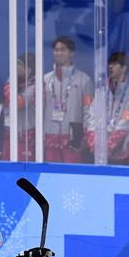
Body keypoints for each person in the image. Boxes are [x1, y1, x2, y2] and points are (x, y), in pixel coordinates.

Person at [42, 35, 94, 163]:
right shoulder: (45, 79)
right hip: (50, 136)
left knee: (71, 176)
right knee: (51, 175)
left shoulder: (84, 80)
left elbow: (89, 110)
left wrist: (86, 137)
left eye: (63, 50)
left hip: (73, 137)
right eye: (56, 50)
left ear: (71, 53)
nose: (59, 53)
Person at [85, 51, 129, 165]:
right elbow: (92, 115)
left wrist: (108, 146)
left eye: (114, 64)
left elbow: (125, 122)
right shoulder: (101, 90)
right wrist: (93, 140)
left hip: (121, 153)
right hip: (99, 151)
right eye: (109, 63)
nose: (110, 66)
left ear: (124, 68)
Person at [3, 52, 36, 162]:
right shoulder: (16, 83)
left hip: (24, 137)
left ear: (28, 69)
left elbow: (18, 104)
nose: (16, 68)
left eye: (19, 65)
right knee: (6, 170)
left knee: (22, 173)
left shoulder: (34, 86)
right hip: (10, 134)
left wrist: (10, 81)